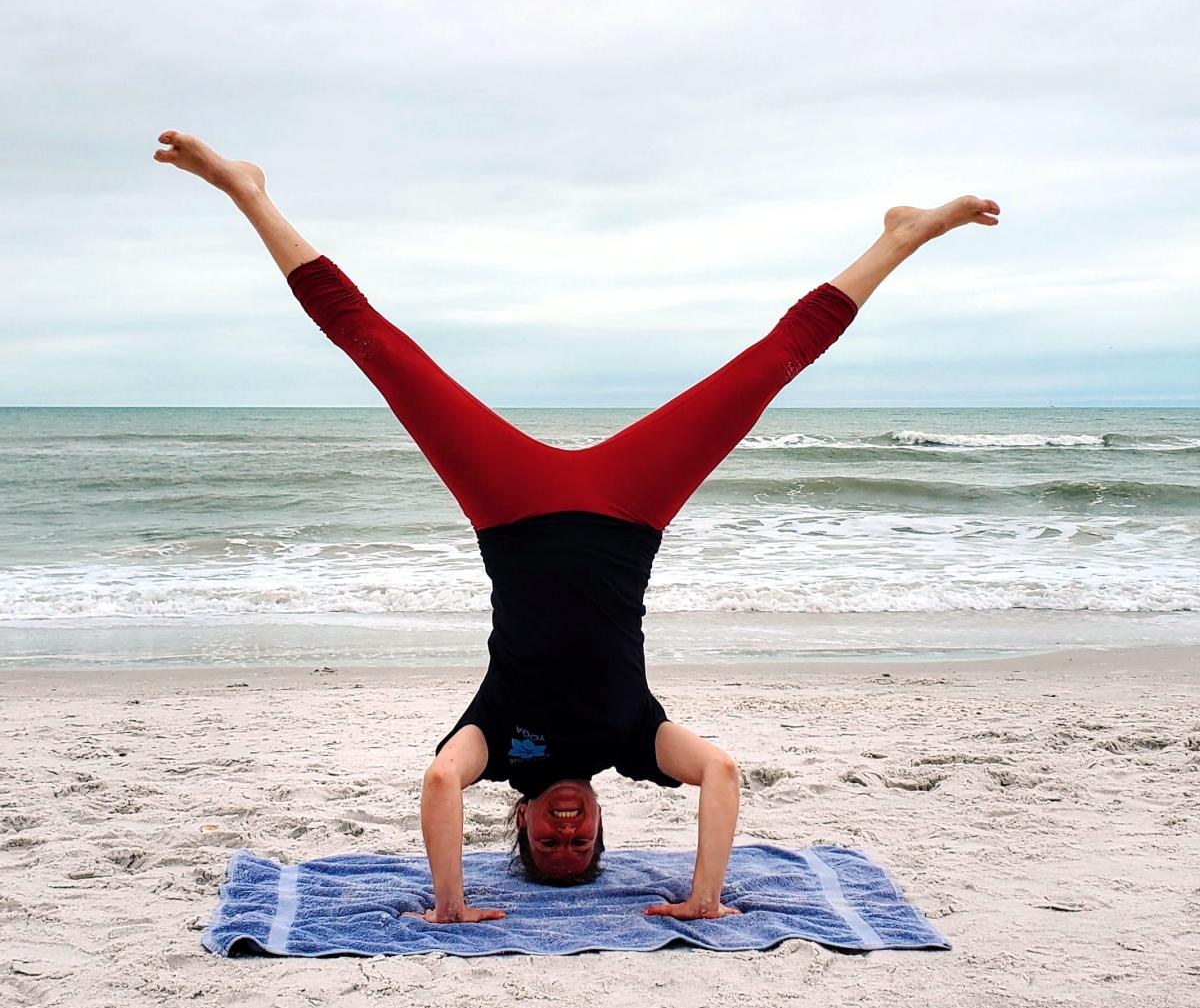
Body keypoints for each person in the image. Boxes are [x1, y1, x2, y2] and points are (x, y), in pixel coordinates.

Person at [154, 129, 1000, 924]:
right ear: (601, 826)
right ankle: (903, 236)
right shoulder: (631, 735)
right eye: (582, 842)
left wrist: (450, 901)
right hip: (631, 508)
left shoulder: (497, 738)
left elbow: (442, 779)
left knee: (375, 346)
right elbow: (721, 772)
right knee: (770, 365)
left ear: (518, 822)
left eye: (550, 841)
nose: (568, 829)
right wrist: (705, 895)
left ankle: (246, 191)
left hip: (510, 506)